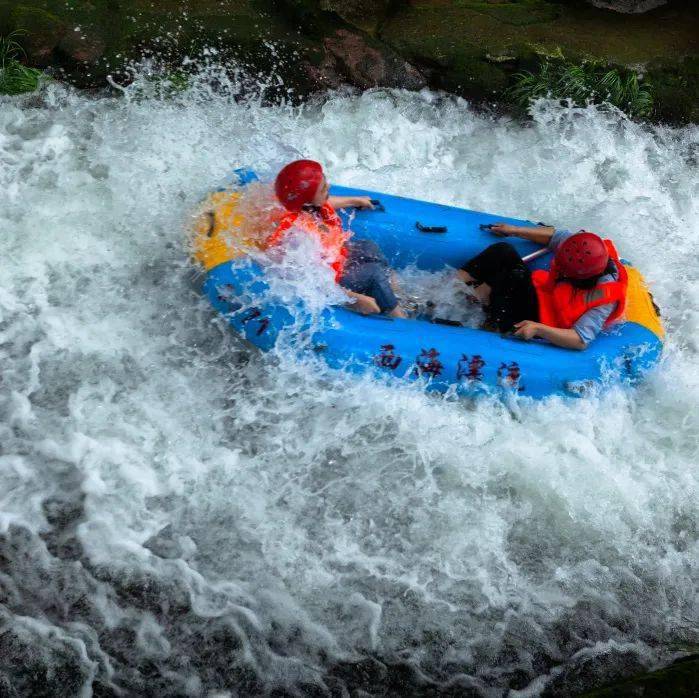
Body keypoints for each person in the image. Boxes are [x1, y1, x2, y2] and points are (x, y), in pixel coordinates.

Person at [269, 159, 406, 318]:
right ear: (306, 201)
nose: (329, 187)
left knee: (368, 247)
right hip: (329, 281)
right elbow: (310, 283)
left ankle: (393, 295)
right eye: (322, 189)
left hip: (335, 261)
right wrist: (354, 299)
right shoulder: (298, 236)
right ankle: (402, 320)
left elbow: (326, 202)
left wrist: (354, 200)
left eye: (325, 182)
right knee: (374, 273)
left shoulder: (308, 206)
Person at [457, 224, 628, 349]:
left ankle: (480, 315)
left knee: (513, 277)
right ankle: (451, 288)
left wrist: (539, 328)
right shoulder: (584, 246)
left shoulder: (605, 297)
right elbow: (556, 236)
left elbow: (580, 339)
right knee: (503, 250)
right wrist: (515, 231)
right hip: (543, 295)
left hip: (543, 321)